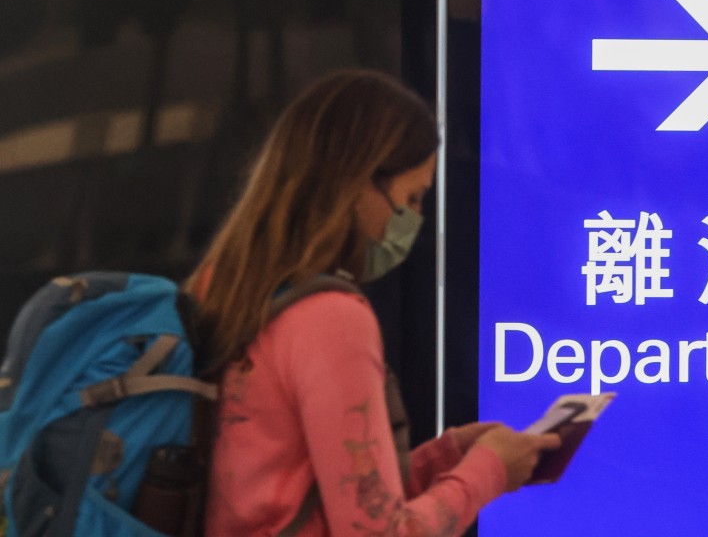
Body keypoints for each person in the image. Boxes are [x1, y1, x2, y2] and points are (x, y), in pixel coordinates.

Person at [185, 69, 560, 536]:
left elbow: (299, 493)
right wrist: (488, 473)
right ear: (359, 184)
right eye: (413, 197)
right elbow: (378, 532)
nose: (415, 219)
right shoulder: (330, 319)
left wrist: (448, 457)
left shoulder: (223, 285)